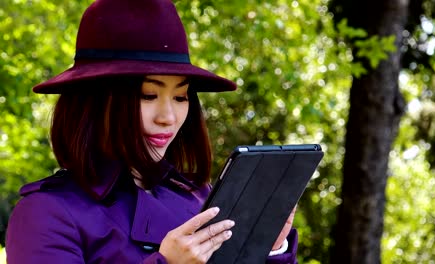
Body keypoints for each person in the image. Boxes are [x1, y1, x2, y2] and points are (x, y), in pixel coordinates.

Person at [6, 0, 299, 263]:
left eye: (180, 97)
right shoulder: (45, 213)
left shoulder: (198, 198)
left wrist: (270, 248)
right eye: (148, 95)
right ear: (93, 101)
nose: (168, 117)